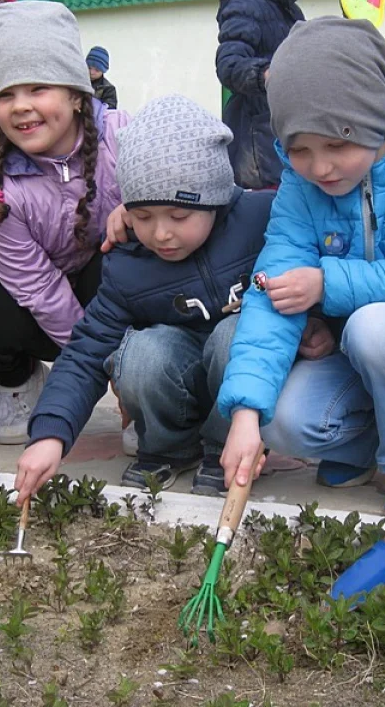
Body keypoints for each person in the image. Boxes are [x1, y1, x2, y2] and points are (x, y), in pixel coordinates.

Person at [216, 17, 385, 521]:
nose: (321, 168)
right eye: (299, 150)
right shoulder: (302, 187)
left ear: (375, 118)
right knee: (282, 422)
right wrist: (246, 414)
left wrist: (325, 284)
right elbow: (272, 291)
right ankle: (364, 447)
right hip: (356, 342)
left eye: (338, 145)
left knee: (375, 327)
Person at [14, 96, 274, 502]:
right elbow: (85, 353)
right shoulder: (128, 263)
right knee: (138, 352)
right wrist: (51, 433)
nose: (161, 234)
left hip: (245, 381)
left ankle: (226, 446)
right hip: (178, 377)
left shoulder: (261, 221)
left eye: (178, 216)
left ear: (217, 196)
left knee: (235, 333)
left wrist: (319, 327)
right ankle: (169, 446)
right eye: (143, 215)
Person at [0, 1, 130, 446]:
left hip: (113, 292)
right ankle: (19, 381)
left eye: (38, 88)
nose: (21, 107)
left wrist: (139, 213)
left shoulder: (122, 138)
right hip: (40, 310)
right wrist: (92, 363)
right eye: (6, 94)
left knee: (133, 260)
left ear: (76, 93)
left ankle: (145, 386)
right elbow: (38, 287)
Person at [216, 0, 307, 189]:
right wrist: (269, 74)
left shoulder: (289, 9)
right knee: (268, 210)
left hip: (285, 129)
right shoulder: (244, 3)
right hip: (260, 145)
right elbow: (230, 64)